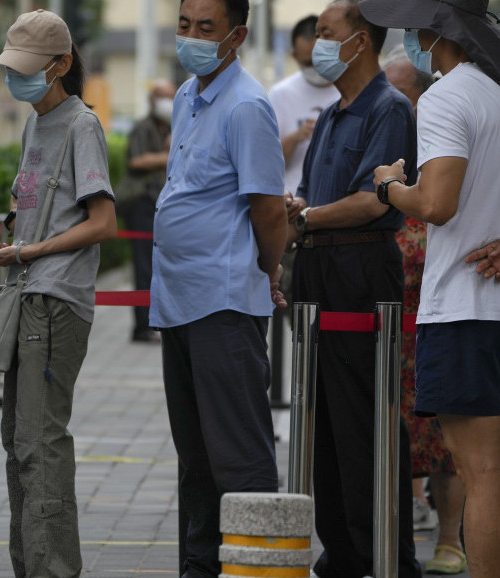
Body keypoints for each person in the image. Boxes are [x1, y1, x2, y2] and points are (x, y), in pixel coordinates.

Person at [362, 0, 500, 575]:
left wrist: (389, 186)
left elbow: (436, 203)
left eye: (413, 31)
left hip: (464, 305)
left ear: (437, 34)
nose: (409, 41)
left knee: (478, 471)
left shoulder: (446, 97)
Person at [149, 0, 287, 575]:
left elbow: (269, 210)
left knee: (240, 455)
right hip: (178, 301)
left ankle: (260, 569)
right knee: (196, 457)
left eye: (206, 28)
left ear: (237, 35)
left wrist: (268, 269)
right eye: (185, 25)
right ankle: (201, 569)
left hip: (224, 304)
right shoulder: (186, 97)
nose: (192, 38)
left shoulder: (248, 105)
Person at [287, 2, 421, 577]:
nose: (316, 43)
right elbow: (312, 194)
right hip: (317, 270)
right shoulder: (335, 113)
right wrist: (300, 213)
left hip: (360, 270)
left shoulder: (387, 109)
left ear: (360, 42)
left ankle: (385, 553)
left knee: (366, 418)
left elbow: (374, 201)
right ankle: (340, 549)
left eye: (325, 33)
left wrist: (307, 218)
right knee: (321, 421)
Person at [0, 9, 117, 577]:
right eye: (12, 68)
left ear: (61, 65)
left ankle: (52, 570)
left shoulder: (81, 123)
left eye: (28, 68)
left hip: (55, 301)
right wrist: (15, 232)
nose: (17, 79)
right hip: (28, 293)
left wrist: (30, 252)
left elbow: (102, 221)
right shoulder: (36, 123)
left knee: (39, 443)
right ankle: (32, 566)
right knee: (18, 440)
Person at [383, 49, 469, 574]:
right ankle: (392, 533)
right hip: (388, 312)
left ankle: (452, 539)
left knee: (446, 436)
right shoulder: (383, 134)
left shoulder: (446, 129)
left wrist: (389, 189)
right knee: (389, 429)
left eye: (402, 92)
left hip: (437, 309)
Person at [120, 78, 174, 343]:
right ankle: (141, 327)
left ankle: (158, 322)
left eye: (170, 96)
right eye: (161, 96)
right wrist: (171, 154)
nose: (166, 102)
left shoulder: (173, 127)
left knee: (161, 267)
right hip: (142, 204)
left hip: (165, 207)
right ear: (152, 100)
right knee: (144, 267)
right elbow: (137, 160)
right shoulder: (143, 128)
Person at [269, 15, 340, 197]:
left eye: (319, 60)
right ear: (294, 56)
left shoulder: (348, 89)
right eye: (308, 63)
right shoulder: (280, 94)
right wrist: (297, 137)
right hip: (291, 199)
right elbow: (265, 161)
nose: (315, 68)